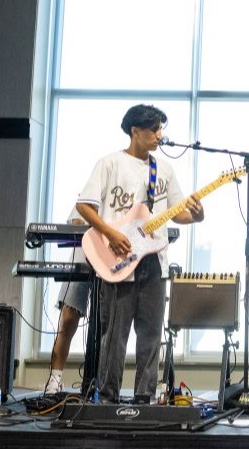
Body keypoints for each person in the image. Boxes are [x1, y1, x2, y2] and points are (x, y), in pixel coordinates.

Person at [76, 104, 204, 404]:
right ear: (136, 131)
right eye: (154, 130)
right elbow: (84, 206)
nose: (160, 135)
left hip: (154, 262)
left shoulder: (164, 170)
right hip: (118, 259)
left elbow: (178, 213)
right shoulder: (109, 163)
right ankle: (107, 398)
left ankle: (144, 398)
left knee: (150, 335)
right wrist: (111, 233)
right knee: (114, 336)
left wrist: (197, 217)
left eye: (161, 129)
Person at [43, 210, 90, 395]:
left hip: (112, 263)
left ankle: (99, 382)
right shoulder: (91, 190)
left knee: (106, 325)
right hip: (82, 260)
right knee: (68, 320)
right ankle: (55, 379)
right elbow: (76, 222)